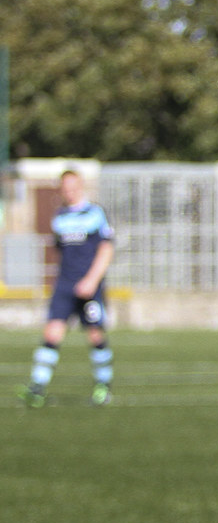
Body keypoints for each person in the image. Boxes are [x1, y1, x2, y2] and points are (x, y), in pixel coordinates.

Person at [17, 169, 115, 407]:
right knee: (52, 332)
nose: (69, 191)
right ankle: (38, 388)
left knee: (94, 334)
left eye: (73, 186)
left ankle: (103, 387)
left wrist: (91, 280)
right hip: (65, 284)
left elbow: (106, 249)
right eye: (65, 187)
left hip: (89, 285)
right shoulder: (59, 218)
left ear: (80, 186)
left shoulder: (95, 213)